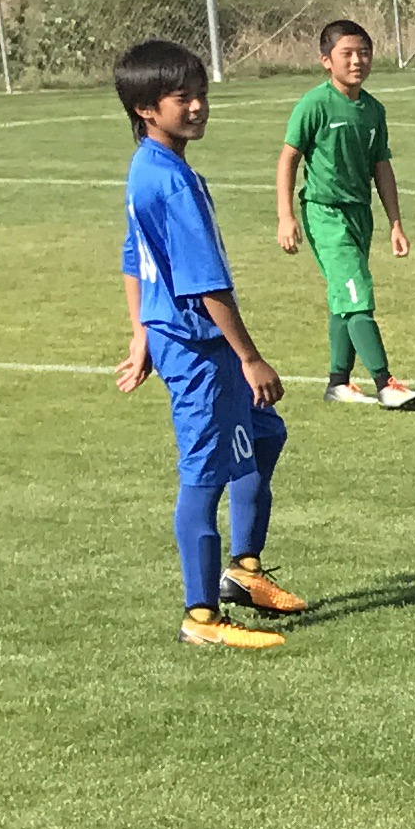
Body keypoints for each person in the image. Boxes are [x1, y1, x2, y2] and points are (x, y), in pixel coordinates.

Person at [111, 34, 303, 649]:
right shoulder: (167, 181)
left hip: (185, 339)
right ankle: (200, 617)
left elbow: (134, 256)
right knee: (203, 474)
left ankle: (243, 572)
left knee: (265, 435)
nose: (197, 107)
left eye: (201, 94)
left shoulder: (155, 166)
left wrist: (140, 331)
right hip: (200, 350)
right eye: (181, 98)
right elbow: (205, 282)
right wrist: (250, 357)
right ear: (146, 109)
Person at [276, 18, 415, 408]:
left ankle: (338, 383)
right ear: (326, 60)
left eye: (364, 53)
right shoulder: (314, 105)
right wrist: (285, 216)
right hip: (325, 214)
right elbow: (288, 158)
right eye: (347, 54)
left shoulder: (373, 110)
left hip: (359, 214)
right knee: (358, 297)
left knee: (344, 297)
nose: (357, 61)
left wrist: (395, 223)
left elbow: (381, 167)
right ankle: (385, 383)